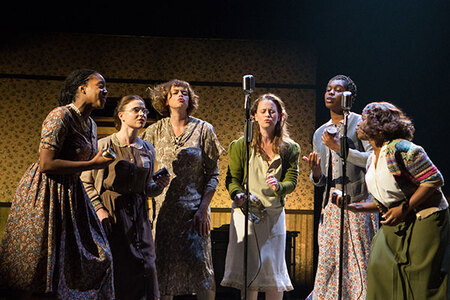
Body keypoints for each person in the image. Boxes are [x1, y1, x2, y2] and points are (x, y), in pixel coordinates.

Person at [0, 69, 114, 299]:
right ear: (82, 88)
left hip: (72, 192)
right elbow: (46, 163)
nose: (105, 91)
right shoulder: (60, 115)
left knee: (99, 256)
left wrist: (96, 161)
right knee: (42, 263)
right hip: (47, 192)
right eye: (100, 85)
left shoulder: (90, 124)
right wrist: (93, 163)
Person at [343, 101, 449, 299]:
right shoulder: (371, 158)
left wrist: (405, 208)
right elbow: (387, 200)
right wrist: (356, 207)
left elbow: (434, 179)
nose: (358, 123)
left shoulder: (401, 148)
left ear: (378, 125)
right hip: (398, 219)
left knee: (420, 280)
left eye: (364, 119)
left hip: (424, 218)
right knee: (379, 267)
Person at [141, 79, 224, 300]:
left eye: (185, 93)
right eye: (175, 92)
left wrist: (204, 208)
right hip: (165, 213)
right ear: (165, 100)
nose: (180, 96)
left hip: (194, 213)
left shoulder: (203, 129)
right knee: (164, 270)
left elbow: (213, 174)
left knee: (201, 271)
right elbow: (144, 172)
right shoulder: (154, 131)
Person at [81, 95, 170, 300]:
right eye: (136, 110)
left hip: (139, 213)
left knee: (146, 264)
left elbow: (148, 188)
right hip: (112, 213)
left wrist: (159, 186)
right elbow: (85, 182)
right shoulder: (104, 145)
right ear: (121, 115)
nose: (142, 114)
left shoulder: (148, 148)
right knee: (120, 266)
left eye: (144, 111)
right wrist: (99, 209)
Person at [302, 75, 378, 299]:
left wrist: (340, 148)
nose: (330, 93)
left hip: (357, 204)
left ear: (349, 97)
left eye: (337, 89)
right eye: (328, 89)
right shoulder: (320, 133)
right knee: (329, 262)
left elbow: (372, 159)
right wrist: (316, 173)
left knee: (358, 263)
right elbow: (322, 179)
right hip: (332, 209)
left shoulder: (360, 125)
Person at [221, 93, 300, 300]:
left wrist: (280, 186)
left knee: (274, 271)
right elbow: (232, 178)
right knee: (250, 270)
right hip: (248, 210)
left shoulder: (290, 148)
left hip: (274, 213)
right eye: (263, 111)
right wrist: (237, 194)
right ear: (254, 115)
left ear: (280, 116)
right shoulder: (241, 145)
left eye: (272, 111)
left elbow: (292, 181)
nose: (268, 115)